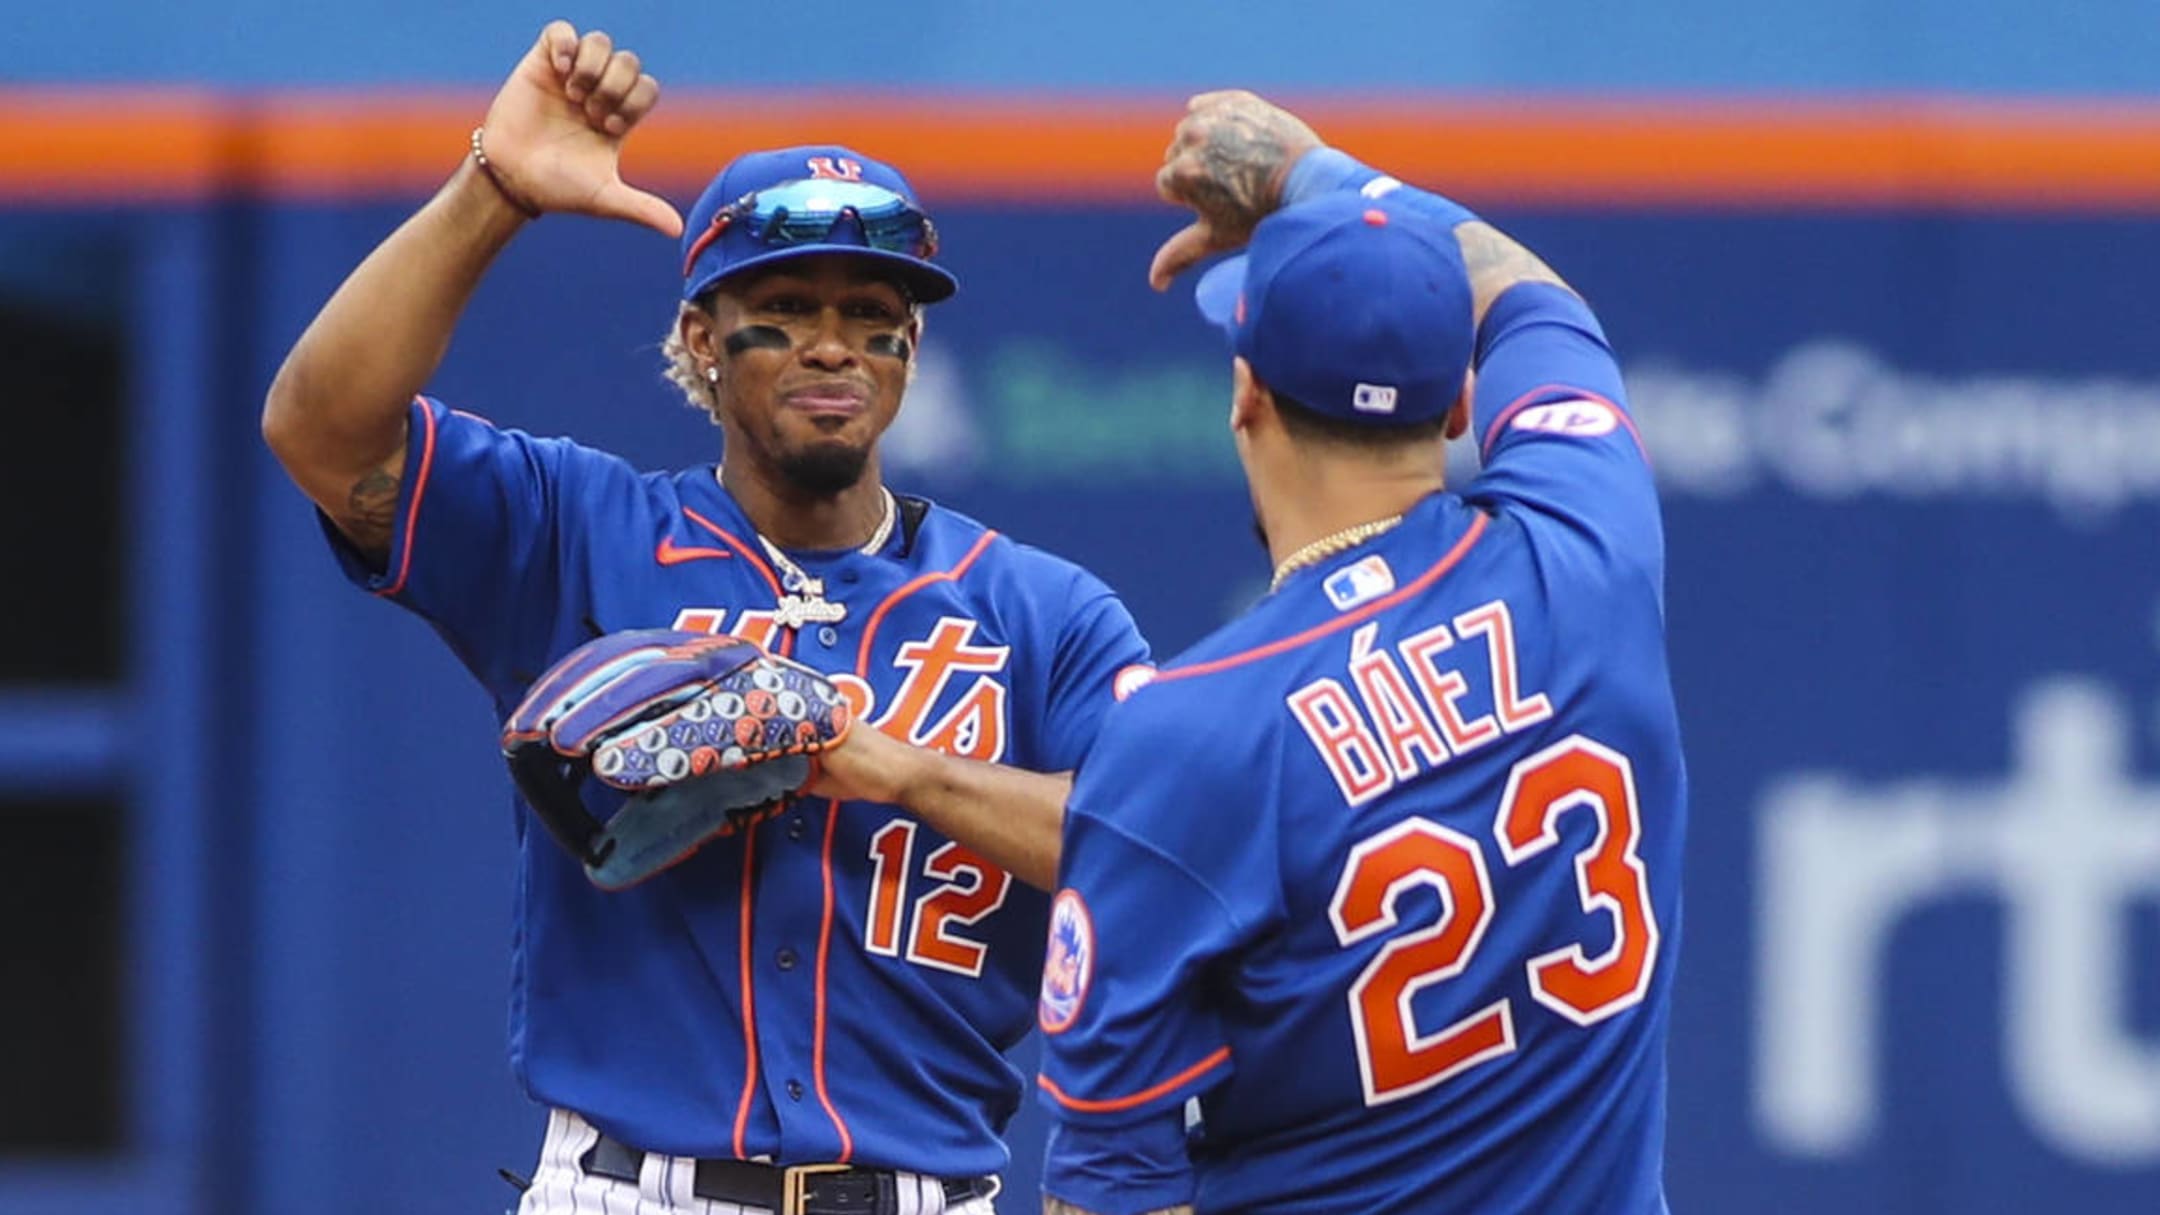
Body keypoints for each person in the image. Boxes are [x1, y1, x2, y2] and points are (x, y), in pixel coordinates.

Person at [260, 21, 1146, 1215]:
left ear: (909, 348)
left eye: (871, 310)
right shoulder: (578, 532)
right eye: (783, 304)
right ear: (700, 341)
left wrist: (907, 774)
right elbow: (321, 431)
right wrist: (494, 192)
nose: (832, 343)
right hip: (631, 1191)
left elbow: (1167, 856)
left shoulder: (1042, 613)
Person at [1025, 93, 1688, 1214]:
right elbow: (1534, 297)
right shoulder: (1591, 555)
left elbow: (1108, 1185)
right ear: (1457, 409)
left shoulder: (1188, 734)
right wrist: (1316, 175)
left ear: (1246, 395)